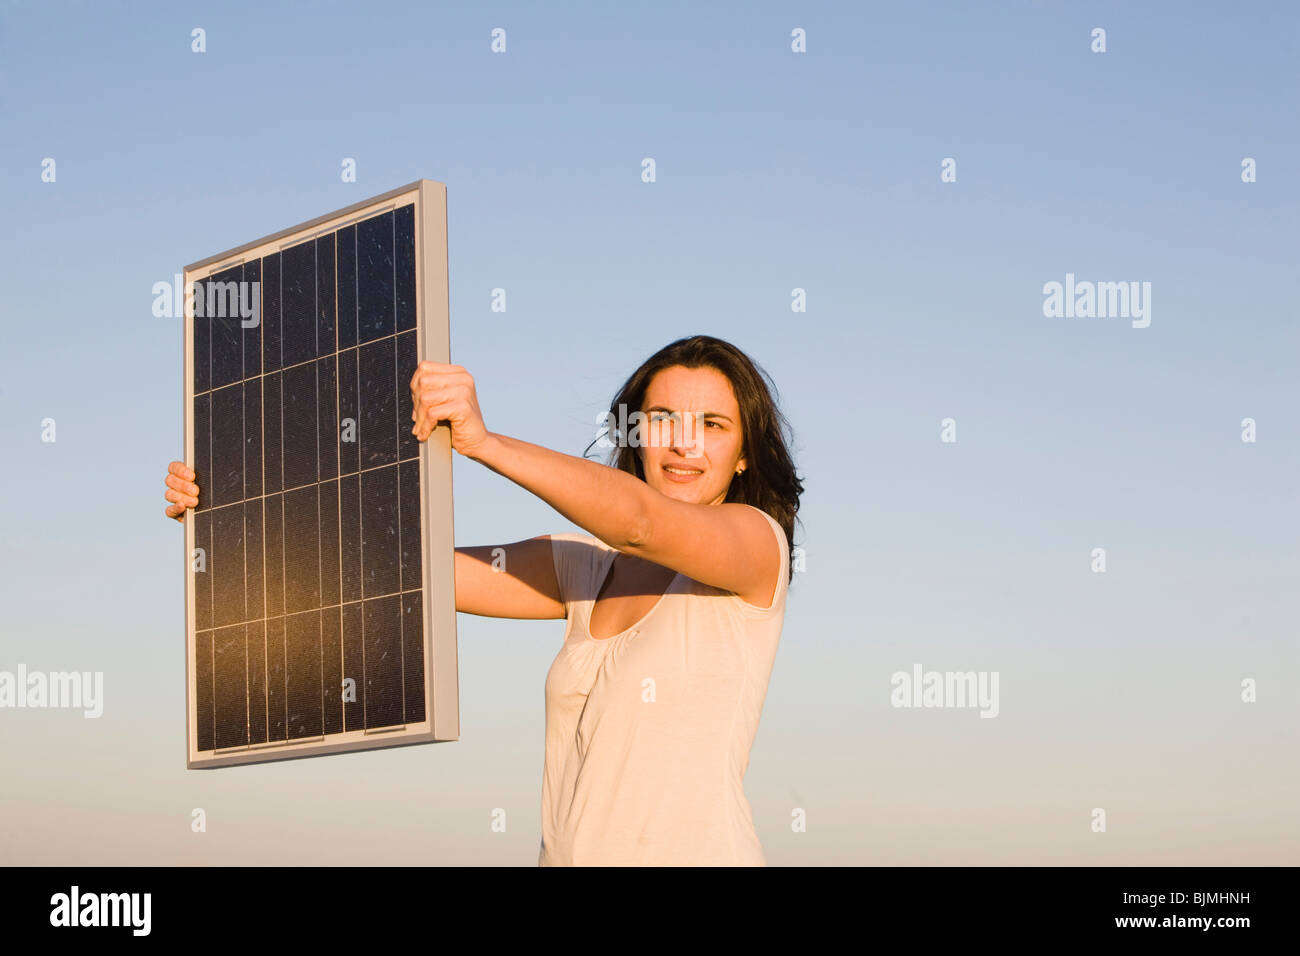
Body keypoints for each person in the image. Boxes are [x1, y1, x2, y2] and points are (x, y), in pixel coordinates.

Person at [164, 333, 802, 865]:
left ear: (744, 454)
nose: (684, 443)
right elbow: (396, 573)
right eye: (663, 419)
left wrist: (483, 442)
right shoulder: (589, 569)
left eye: (713, 425)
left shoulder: (754, 547)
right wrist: (226, 514)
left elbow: (639, 519)